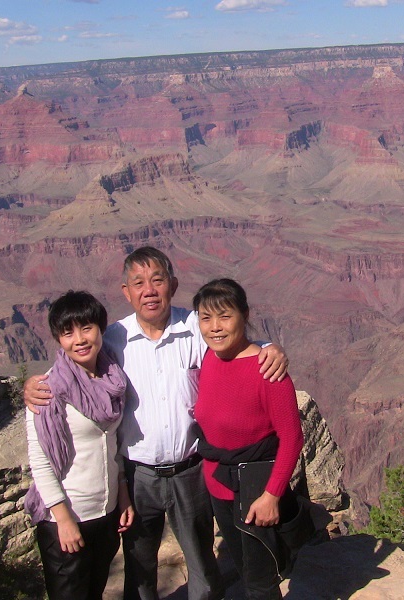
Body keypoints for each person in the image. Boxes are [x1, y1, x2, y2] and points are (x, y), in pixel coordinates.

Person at [25, 246, 289, 600]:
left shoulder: (197, 327)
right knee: (139, 569)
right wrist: (33, 385)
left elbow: (232, 334)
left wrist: (270, 347)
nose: (149, 290)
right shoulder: (113, 338)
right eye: (138, 283)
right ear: (126, 292)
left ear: (173, 285)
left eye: (157, 280)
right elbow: (74, 365)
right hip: (137, 477)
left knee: (202, 566)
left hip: (190, 471)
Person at [192, 278, 304, 600]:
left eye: (225, 316)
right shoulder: (210, 358)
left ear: (245, 315)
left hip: (255, 492)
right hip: (218, 488)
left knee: (261, 583)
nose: (215, 327)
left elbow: (292, 438)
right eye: (206, 318)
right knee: (243, 570)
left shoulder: (268, 371)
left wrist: (271, 496)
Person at [24, 290, 134, 600]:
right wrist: (63, 519)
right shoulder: (48, 390)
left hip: (106, 514)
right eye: (68, 332)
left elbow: (115, 444)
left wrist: (122, 494)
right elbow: (41, 461)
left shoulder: (113, 379)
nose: (80, 339)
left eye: (87, 328)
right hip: (66, 519)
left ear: (101, 329)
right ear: (58, 339)